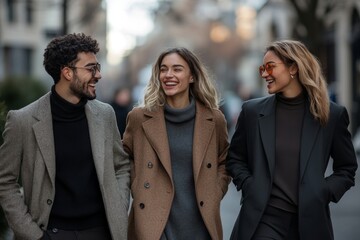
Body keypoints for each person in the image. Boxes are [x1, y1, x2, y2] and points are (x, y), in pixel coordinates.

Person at [0, 33, 130, 240]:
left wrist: (119, 204)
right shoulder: (22, 121)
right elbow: (4, 181)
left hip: (102, 232)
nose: (98, 75)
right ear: (67, 73)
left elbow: (121, 166)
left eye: (98, 67)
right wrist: (32, 234)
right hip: (49, 233)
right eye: (91, 68)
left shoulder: (105, 114)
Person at [226, 40, 358, 240]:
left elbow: (347, 169)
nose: (264, 74)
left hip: (311, 223)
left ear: (293, 67)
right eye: (262, 68)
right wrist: (249, 185)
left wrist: (321, 192)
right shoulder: (252, 112)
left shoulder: (332, 115)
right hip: (262, 220)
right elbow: (235, 158)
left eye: (270, 67)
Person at [122, 47, 230, 240]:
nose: (168, 75)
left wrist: (215, 191)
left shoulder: (214, 119)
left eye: (177, 69)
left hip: (201, 224)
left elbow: (224, 160)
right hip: (152, 224)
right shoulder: (139, 118)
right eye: (163, 69)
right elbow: (123, 159)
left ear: (192, 77)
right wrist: (139, 187)